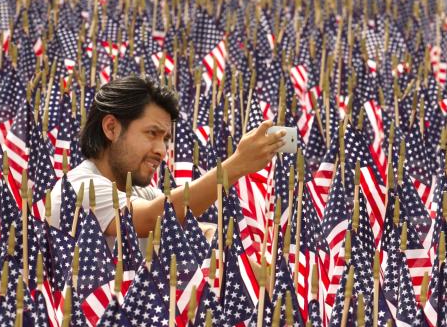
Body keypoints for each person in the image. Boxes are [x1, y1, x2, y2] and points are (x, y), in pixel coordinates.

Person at [47, 75, 285, 239]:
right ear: (111, 128)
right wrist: (236, 166)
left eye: (166, 139)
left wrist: (210, 235)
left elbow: (180, 223)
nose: (162, 150)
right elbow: (153, 219)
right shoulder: (78, 188)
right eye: (152, 133)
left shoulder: (141, 192)